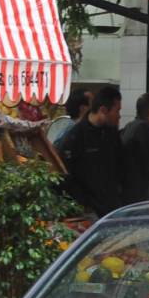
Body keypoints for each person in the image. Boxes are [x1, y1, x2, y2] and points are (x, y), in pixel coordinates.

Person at [58, 85, 124, 217]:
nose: (119, 116)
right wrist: (85, 204)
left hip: (112, 207)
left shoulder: (112, 134)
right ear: (103, 110)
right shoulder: (75, 137)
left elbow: (121, 165)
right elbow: (67, 176)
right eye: (117, 111)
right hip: (88, 211)